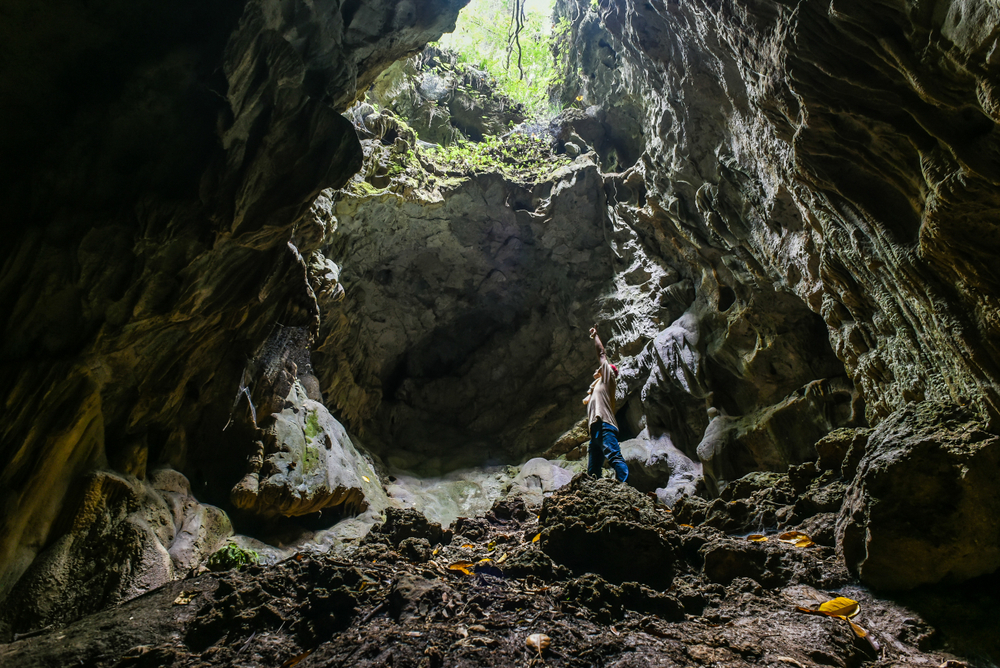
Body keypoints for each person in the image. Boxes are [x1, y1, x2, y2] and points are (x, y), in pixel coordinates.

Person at [583, 327, 628, 482]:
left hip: (605, 425)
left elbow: (601, 354)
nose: (598, 369)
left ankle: (625, 486)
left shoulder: (608, 379)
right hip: (595, 428)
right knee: (592, 470)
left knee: (614, 457)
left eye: (600, 368)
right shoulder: (597, 386)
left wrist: (595, 335)